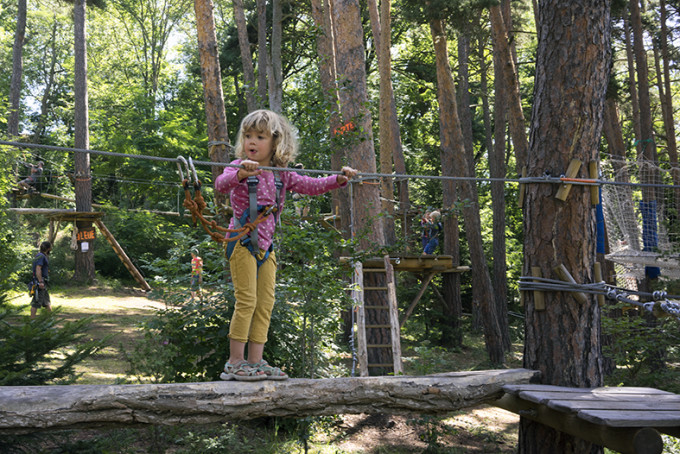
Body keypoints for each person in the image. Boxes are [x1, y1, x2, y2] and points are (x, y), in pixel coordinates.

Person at [215, 109, 357, 381]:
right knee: (247, 301)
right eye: (247, 136)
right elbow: (222, 184)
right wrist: (241, 175)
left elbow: (310, 185)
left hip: (266, 248)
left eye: (259, 136)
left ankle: (256, 362)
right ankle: (235, 362)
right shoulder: (237, 166)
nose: (251, 142)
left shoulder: (281, 173)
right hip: (241, 242)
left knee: (265, 302)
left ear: (276, 142)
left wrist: (338, 179)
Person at [31, 241, 53, 318]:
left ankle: (50, 320)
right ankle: (31, 321)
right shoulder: (41, 256)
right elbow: (38, 268)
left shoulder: (41, 255)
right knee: (36, 302)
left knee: (47, 302)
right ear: (49, 248)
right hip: (40, 282)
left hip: (43, 281)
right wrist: (40, 282)